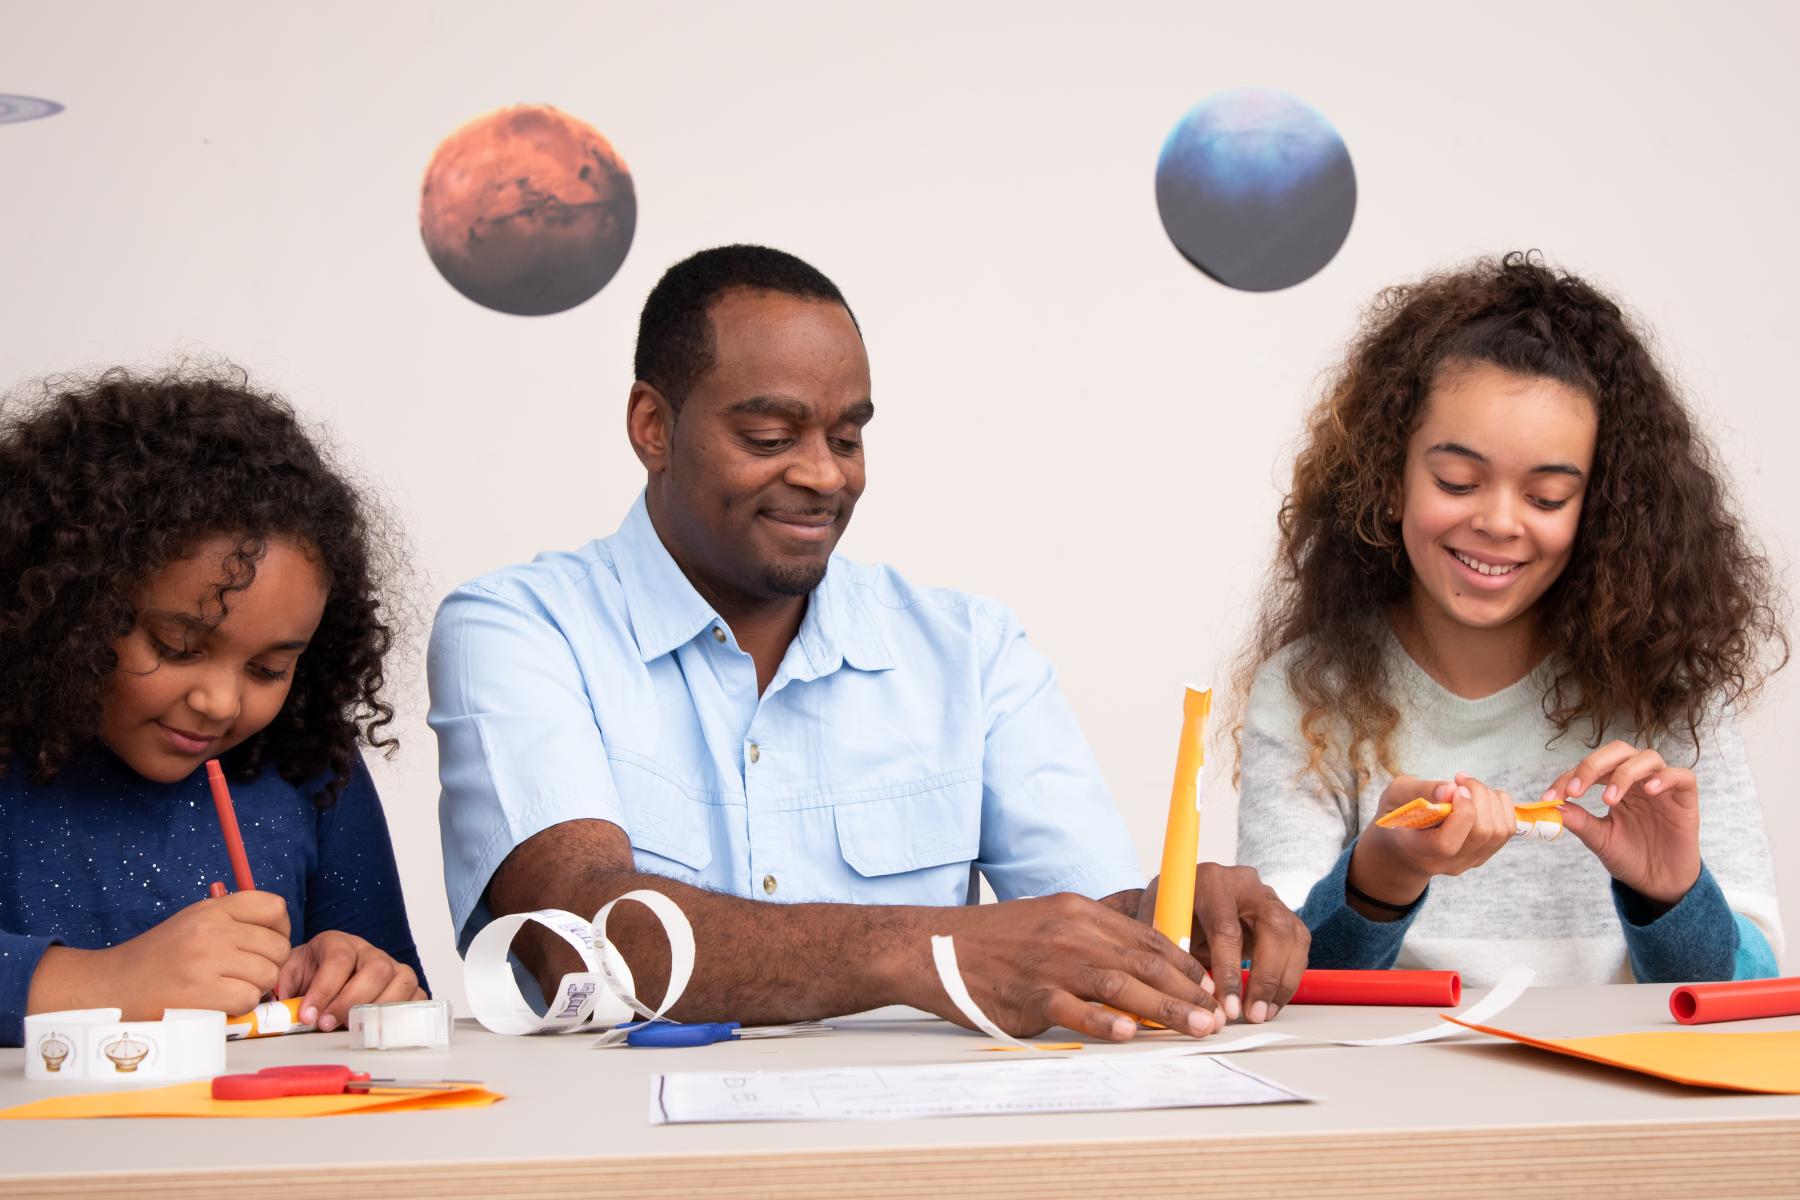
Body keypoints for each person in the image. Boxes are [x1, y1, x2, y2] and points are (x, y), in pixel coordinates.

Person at [431, 245, 1308, 1040]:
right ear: (652, 427)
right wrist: (927, 951)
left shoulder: (973, 652)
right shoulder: (518, 629)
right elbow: (577, 936)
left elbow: (1070, 924)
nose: (823, 475)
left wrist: (1169, 919)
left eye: (847, 437)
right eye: (770, 437)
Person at [1233, 252, 1787, 986]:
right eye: (1457, 481)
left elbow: (1749, 995)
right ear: (1387, 479)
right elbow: (1272, 982)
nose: (1498, 521)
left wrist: (1671, 898)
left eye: (1548, 497)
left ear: (1599, 513)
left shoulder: (1669, 687)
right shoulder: (1312, 693)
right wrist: (1379, 880)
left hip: (1616, 1103)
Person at [0, 367, 427, 1047]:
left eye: (269, 667)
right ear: (71, 609)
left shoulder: (307, 759)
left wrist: (358, 978)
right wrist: (106, 985)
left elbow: (395, 996)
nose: (220, 702)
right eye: (177, 645)